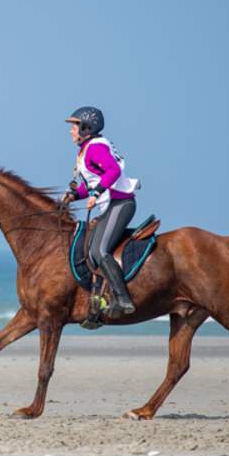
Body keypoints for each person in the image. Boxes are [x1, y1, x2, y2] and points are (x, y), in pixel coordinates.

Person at [60, 106, 140, 318]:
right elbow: (93, 182)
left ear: (87, 127)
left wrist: (96, 194)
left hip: (120, 203)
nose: (71, 131)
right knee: (92, 247)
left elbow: (112, 170)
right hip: (112, 204)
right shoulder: (86, 149)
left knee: (99, 250)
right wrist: (74, 196)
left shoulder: (94, 148)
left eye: (74, 126)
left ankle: (122, 299)